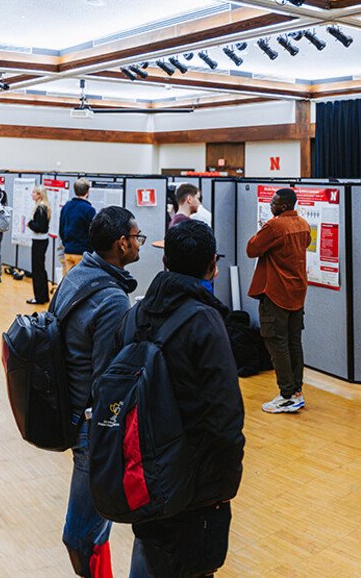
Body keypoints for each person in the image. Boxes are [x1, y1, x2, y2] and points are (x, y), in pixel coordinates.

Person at [114, 220, 244, 577]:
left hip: (143, 467)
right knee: (193, 565)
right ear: (212, 266)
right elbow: (224, 416)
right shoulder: (206, 321)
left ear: (165, 262)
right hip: (195, 481)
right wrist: (225, 484)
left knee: (150, 550)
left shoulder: (136, 314)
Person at [56, 206, 141, 576]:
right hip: (90, 423)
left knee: (91, 527)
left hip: (68, 404)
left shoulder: (77, 275)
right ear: (121, 244)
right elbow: (109, 378)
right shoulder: (112, 299)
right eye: (136, 238)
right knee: (84, 531)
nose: (140, 244)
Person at [246, 188, 311, 414]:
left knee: (277, 343)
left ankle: (286, 395)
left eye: (273, 202)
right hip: (297, 293)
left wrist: (264, 227)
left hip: (276, 293)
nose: (270, 205)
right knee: (294, 342)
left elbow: (252, 249)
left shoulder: (274, 226)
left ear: (283, 206)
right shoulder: (303, 224)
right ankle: (297, 392)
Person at [59, 178, 95, 278]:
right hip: (83, 253)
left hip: (68, 250)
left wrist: (66, 244)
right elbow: (92, 232)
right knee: (81, 283)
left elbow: (61, 229)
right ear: (88, 191)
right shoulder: (89, 210)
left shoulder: (66, 207)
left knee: (68, 283)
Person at [27, 185, 51, 305]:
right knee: (40, 269)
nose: (32, 194)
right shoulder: (43, 207)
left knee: (37, 270)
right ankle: (43, 296)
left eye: (34, 192)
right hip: (41, 241)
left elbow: (40, 228)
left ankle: (39, 297)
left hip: (39, 241)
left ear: (39, 194)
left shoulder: (41, 208)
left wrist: (30, 224)